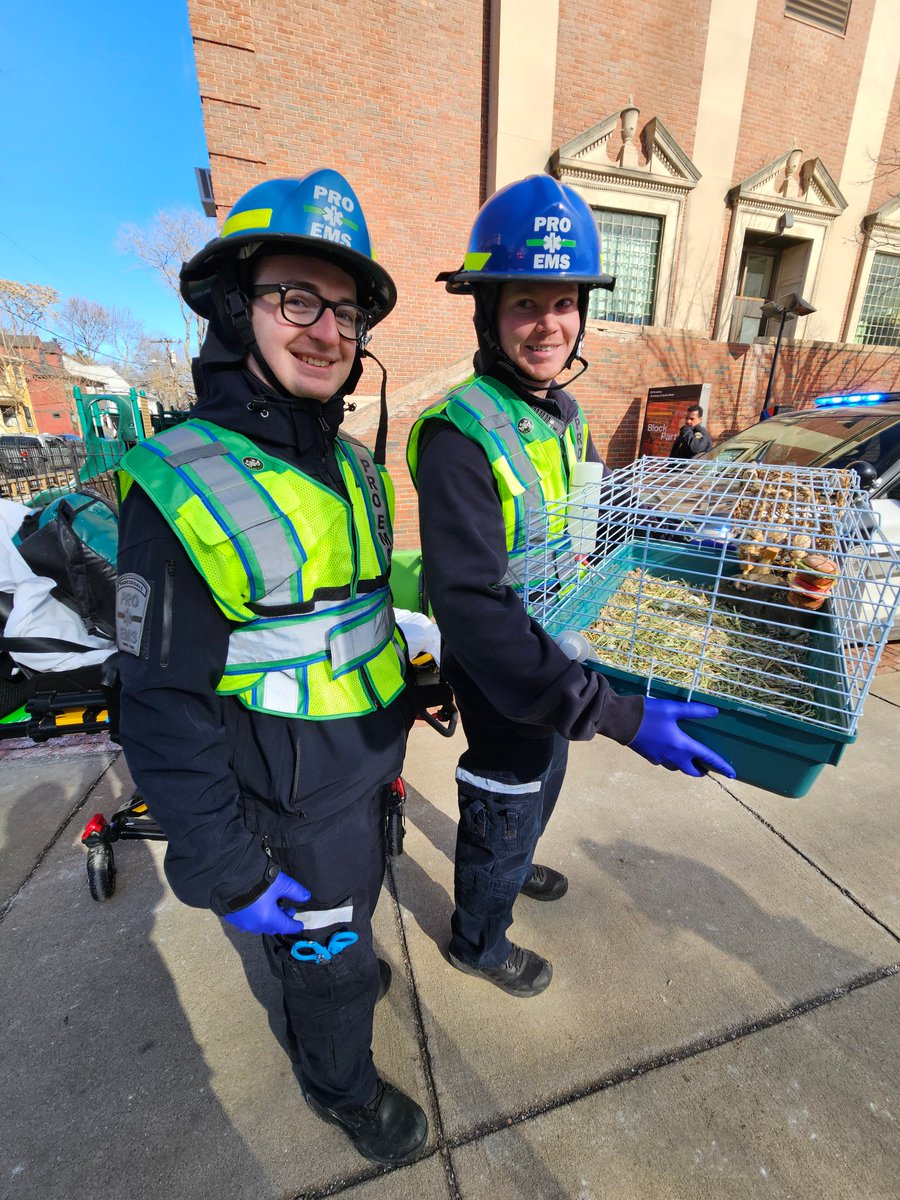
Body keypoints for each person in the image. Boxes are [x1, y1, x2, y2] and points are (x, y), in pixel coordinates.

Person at [114, 170, 428, 1166]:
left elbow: (346, 617)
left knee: (341, 934)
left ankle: (325, 974)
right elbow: (157, 708)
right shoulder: (179, 484)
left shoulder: (354, 467)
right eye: (297, 298)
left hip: (357, 783)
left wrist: (415, 667)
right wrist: (225, 869)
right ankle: (339, 1085)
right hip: (281, 816)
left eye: (343, 310)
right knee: (332, 973)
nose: (327, 330)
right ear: (230, 307)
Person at [407, 174, 734, 999]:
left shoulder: (565, 413)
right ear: (488, 313)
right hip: (503, 666)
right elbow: (471, 606)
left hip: (556, 654)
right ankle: (477, 939)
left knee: (546, 774)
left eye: (563, 302)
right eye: (525, 304)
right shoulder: (459, 435)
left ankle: (510, 871)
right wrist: (616, 715)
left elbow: (601, 514)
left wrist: (677, 536)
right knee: (507, 794)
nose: (547, 324)